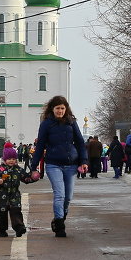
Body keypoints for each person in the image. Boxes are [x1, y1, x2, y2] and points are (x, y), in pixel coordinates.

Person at [29, 95, 88, 237]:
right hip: (53, 164)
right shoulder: (46, 124)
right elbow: (40, 146)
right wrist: (33, 166)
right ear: (52, 109)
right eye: (57, 108)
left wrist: (84, 161)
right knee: (59, 194)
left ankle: (61, 217)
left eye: (62, 108)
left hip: (71, 165)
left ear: (66, 109)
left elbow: (80, 143)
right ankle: (60, 224)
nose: (60, 111)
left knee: (68, 197)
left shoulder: (71, 123)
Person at [0, 145, 37, 237]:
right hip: (2, 196)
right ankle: (2, 230)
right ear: (5, 159)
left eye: (13, 158)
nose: (11, 161)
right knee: (1, 213)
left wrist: (33, 177)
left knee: (16, 211)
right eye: (9, 159)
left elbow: (25, 178)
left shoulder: (18, 169)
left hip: (15, 194)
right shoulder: (1, 169)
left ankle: (19, 228)